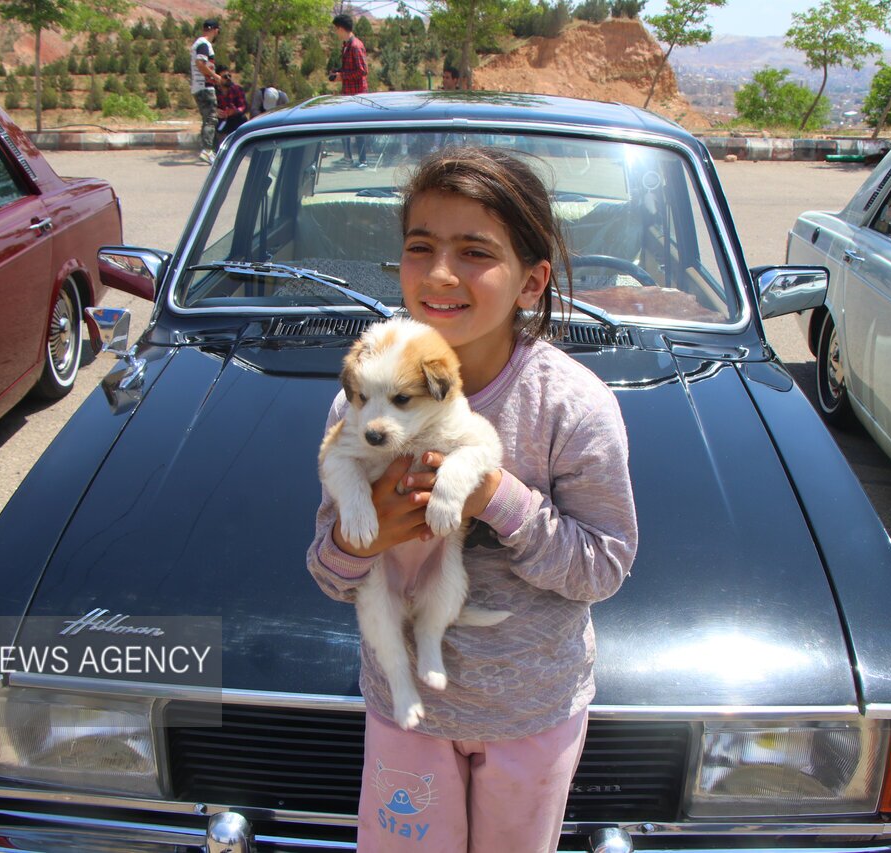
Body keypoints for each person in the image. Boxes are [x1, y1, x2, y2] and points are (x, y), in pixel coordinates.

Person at [305, 147, 637, 852]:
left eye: (476, 252)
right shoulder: (364, 399)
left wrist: (497, 496)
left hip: (532, 712)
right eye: (419, 247)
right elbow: (330, 572)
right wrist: (359, 542)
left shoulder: (573, 405)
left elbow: (604, 567)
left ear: (531, 280)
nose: (441, 273)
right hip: (407, 713)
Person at [329, 13, 369, 168]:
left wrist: (342, 76)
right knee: (345, 126)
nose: (335, 32)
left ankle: (363, 159)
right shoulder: (346, 46)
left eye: (336, 29)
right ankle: (348, 157)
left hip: (357, 95)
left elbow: (362, 71)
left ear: (341, 28)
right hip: (348, 93)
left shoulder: (355, 46)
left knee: (359, 128)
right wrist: (338, 72)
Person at [190, 19, 223, 165]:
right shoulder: (204, 44)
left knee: (206, 120)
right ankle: (207, 150)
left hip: (198, 87)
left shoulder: (197, 43)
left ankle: (208, 149)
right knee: (211, 118)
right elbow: (200, 63)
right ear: (215, 30)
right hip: (205, 87)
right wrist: (214, 76)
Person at [214, 65, 248, 143]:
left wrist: (235, 111)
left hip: (235, 119)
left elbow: (243, 106)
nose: (228, 78)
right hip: (220, 120)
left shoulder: (237, 89)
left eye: (229, 76)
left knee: (242, 118)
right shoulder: (213, 91)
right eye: (225, 77)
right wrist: (216, 111)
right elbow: (208, 107)